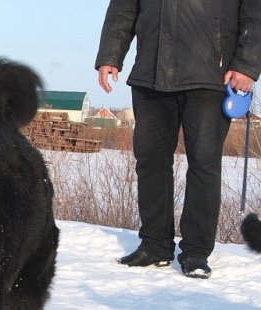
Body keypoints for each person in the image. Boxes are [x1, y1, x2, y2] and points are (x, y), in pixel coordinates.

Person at [95, 0, 260, 279]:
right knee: (150, 161)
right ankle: (155, 245)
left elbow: (255, 12)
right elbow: (123, 6)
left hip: (211, 74)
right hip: (151, 73)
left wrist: (246, 64)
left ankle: (196, 252)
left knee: (204, 164)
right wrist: (110, 55)